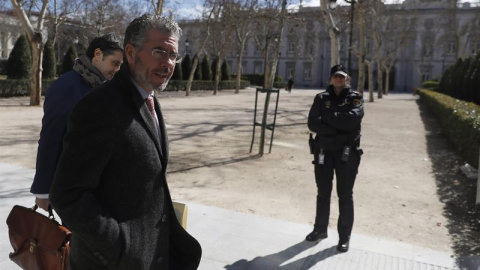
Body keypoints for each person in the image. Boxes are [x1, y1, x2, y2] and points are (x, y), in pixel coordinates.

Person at [49, 14, 202, 269]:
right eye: (159, 52)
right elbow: (67, 195)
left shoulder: (149, 100)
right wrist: (121, 247)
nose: (168, 63)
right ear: (130, 53)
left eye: (173, 55)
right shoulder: (99, 106)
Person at [30, 33, 124, 211]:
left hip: (100, 188)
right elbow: (51, 139)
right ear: (97, 55)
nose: (117, 70)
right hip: (74, 190)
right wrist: (43, 191)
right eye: (115, 63)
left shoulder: (103, 87)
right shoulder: (67, 87)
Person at [305, 64, 364, 253]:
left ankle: (344, 237)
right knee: (323, 192)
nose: (339, 79)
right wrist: (338, 127)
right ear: (330, 79)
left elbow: (352, 121)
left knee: (345, 195)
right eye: (335, 76)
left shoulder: (355, 98)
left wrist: (328, 119)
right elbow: (313, 123)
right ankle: (320, 229)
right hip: (323, 152)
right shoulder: (321, 98)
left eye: (342, 76)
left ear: (347, 79)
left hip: (346, 154)